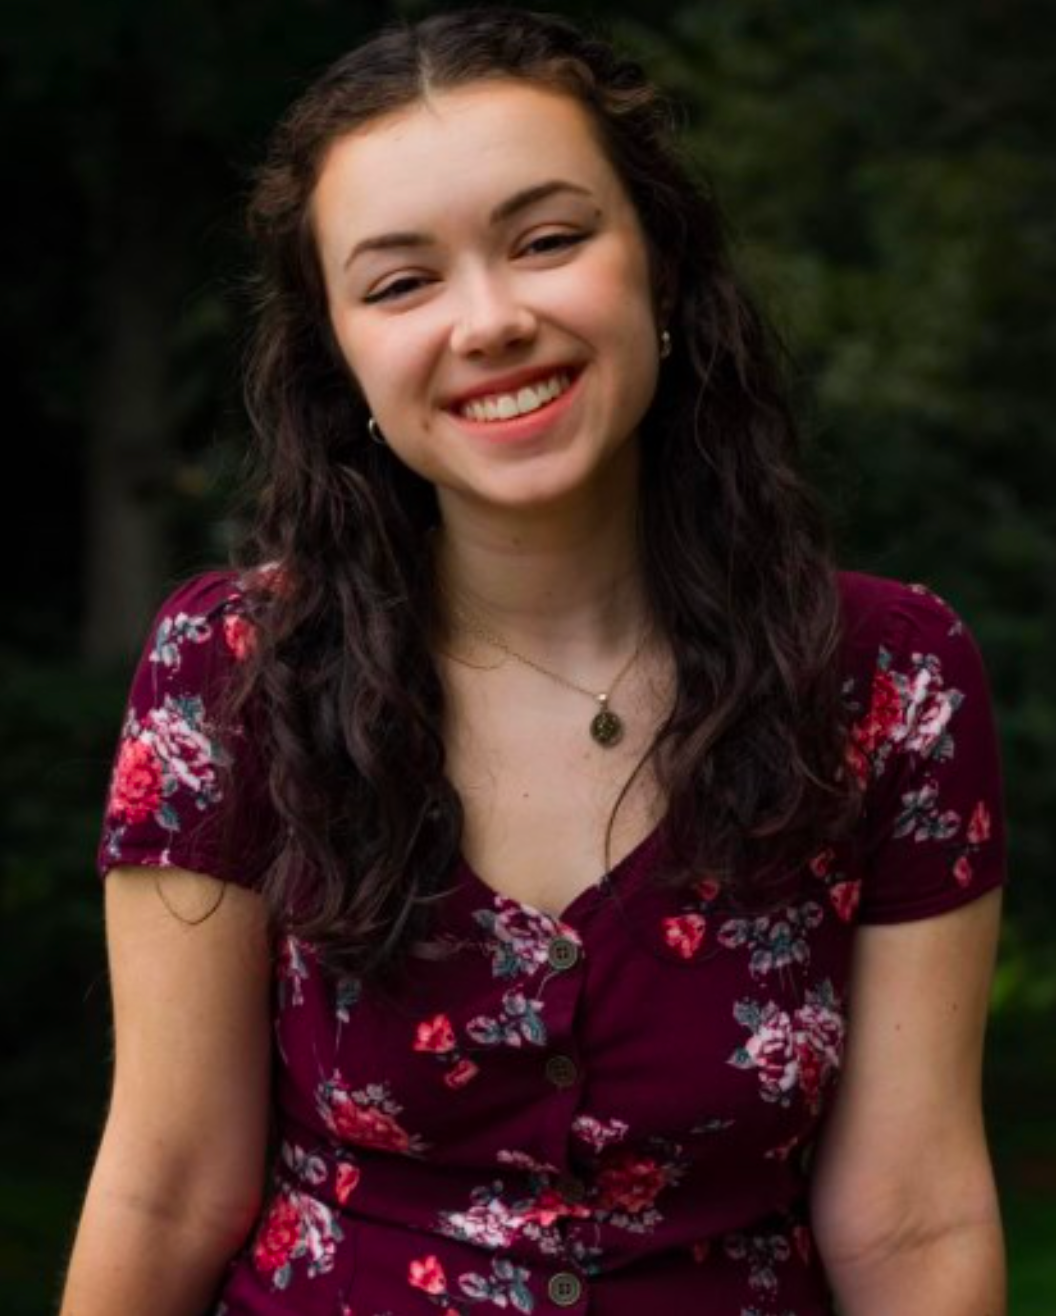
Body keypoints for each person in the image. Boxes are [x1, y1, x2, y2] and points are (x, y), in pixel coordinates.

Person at [61, 9, 1007, 1315]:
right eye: (402, 283)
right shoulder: (229, 669)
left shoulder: (890, 678)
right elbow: (167, 1184)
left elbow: (914, 1222)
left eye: (549, 240)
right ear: (342, 354)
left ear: (660, 265)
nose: (492, 320)